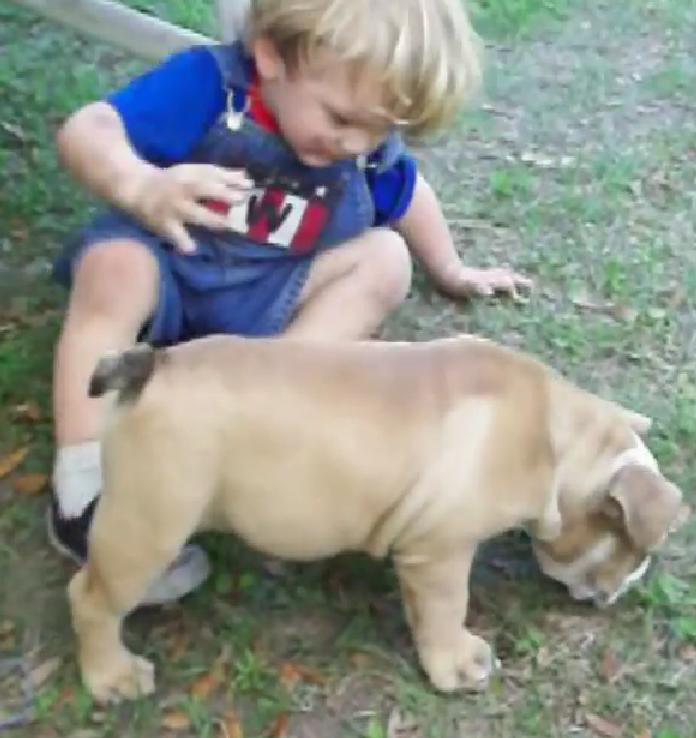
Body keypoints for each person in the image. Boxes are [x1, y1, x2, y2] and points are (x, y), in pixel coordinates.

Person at [49, 0, 532, 605]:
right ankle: (84, 485)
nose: (357, 142)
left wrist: (452, 268)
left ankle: (271, 415)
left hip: (266, 298)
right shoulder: (208, 85)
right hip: (167, 273)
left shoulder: (363, 138)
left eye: (379, 131)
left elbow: (406, 196)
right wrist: (139, 185)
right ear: (272, 53)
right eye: (341, 118)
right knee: (114, 266)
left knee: (384, 258)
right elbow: (87, 129)